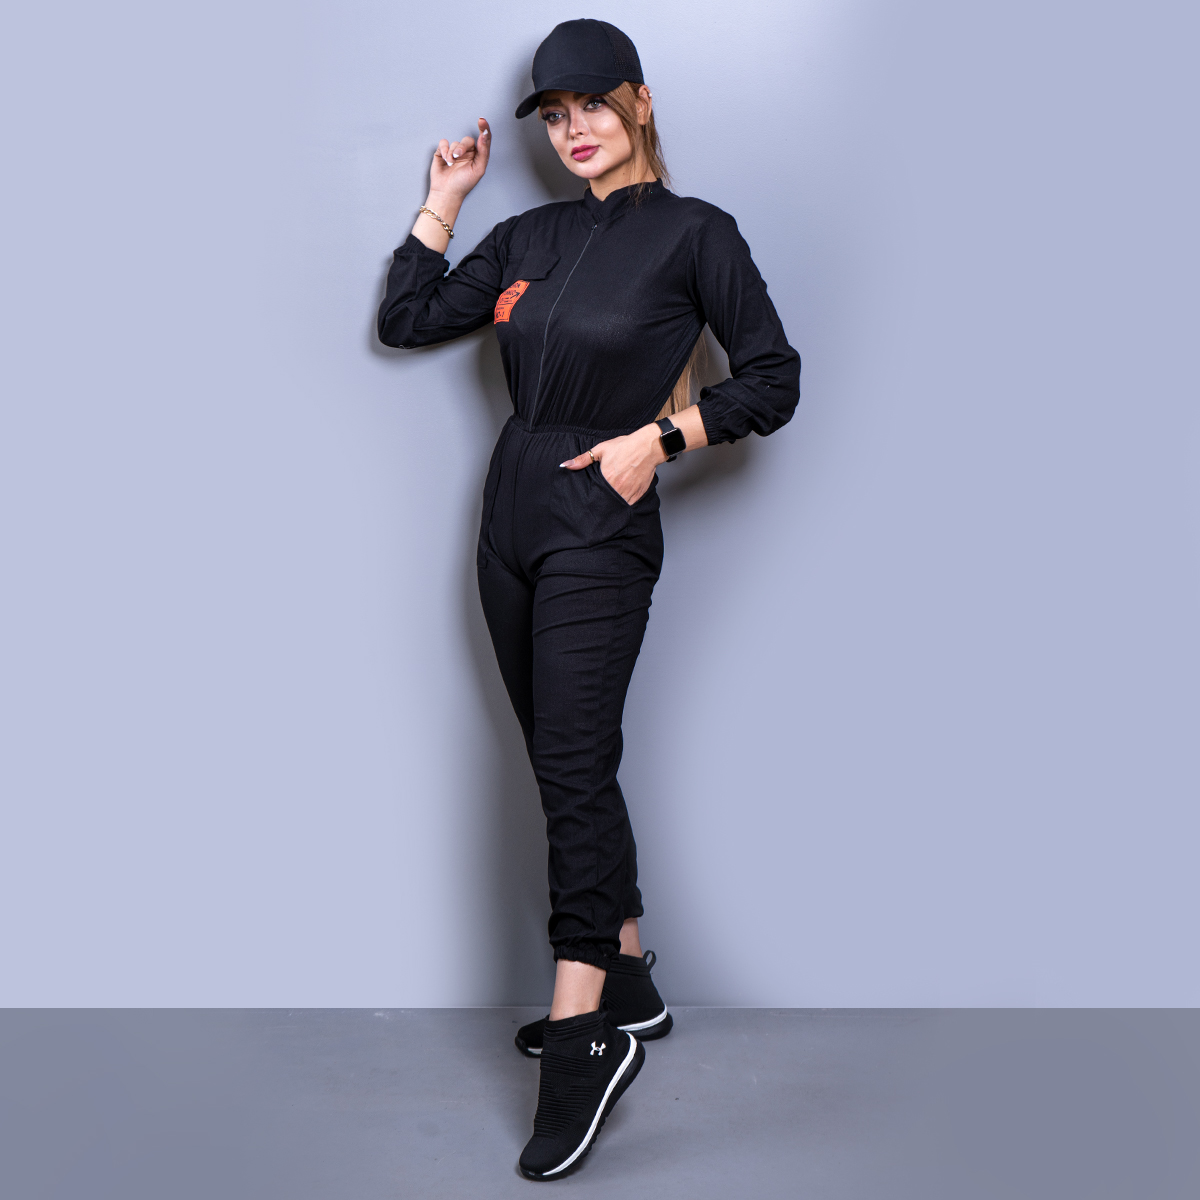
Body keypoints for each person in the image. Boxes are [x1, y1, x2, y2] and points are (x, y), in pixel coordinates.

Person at [377, 18, 800, 1180]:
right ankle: (630, 978)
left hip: (600, 523)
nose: (573, 131)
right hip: (509, 514)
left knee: (570, 761)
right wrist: (444, 200)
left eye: (591, 107)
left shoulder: (697, 234)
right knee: (564, 760)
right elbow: (407, 319)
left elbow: (774, 377)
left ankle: (582, 1037)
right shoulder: (528, 235)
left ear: (640, 103)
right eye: (554, 117)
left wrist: (659, 440)